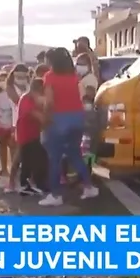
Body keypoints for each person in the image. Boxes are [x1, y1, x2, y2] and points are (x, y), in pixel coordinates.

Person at [38, 47, 100, 206]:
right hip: (77, 119)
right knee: (75, 154)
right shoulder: (74, 76)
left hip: (59, 120)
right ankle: (88, 187)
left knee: (54, 158)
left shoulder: (50, 77)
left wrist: (45, 118)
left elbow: (50, 102)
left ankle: (55, 195)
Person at [5, 64, 35, 194]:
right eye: (19, 76)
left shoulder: (29, 86)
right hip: (18, 123)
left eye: (24, 76)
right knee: (18, 155)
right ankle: (11, 182)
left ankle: (31, 181)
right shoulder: (11, 88)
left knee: (32, 154)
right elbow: (19, 102)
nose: (22, 79)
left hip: (32, 122)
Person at [16, 77, 47, 196]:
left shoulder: (32, 99)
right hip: (26, 135)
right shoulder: (26, 100)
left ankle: (28, 184)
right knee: (30, 160)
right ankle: (26, 185)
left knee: (33, 160)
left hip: (34, 134)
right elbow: (38, 116)